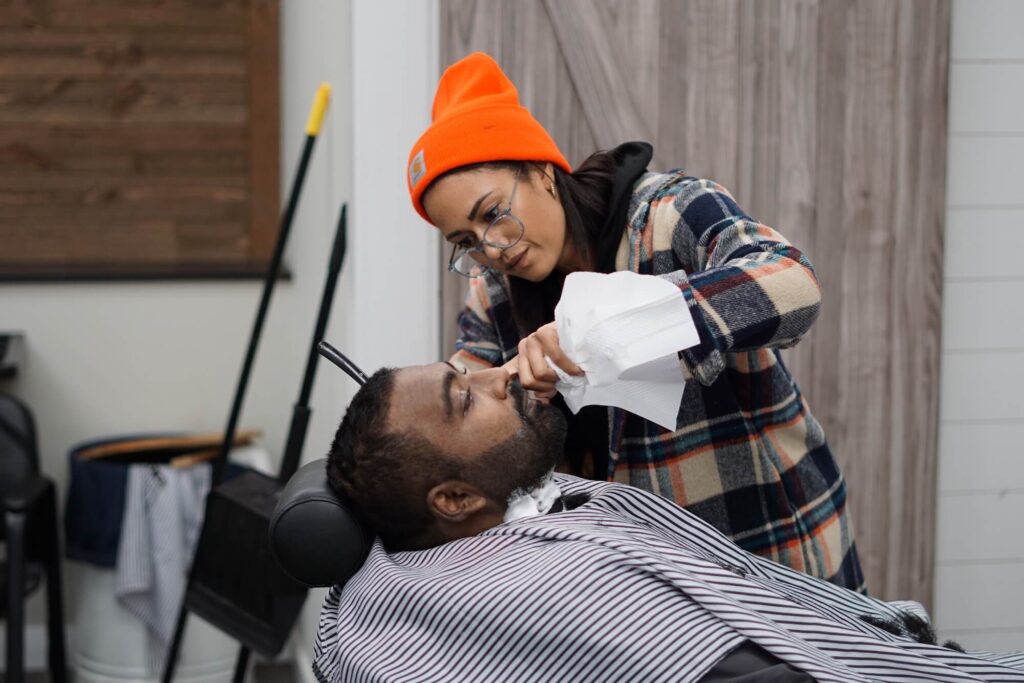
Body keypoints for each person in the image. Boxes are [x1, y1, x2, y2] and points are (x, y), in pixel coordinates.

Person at [405, 52, 863, 590]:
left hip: (771, 547)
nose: (492, 249)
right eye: (465, 241)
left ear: (542, 172)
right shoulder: (493, 297)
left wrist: (615, 330)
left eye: (493, 215)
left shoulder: (667, 217)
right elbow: (463, 399)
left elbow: (791, 282)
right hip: (646, 584)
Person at [316, 363, 1024, 683]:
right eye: (464, 398)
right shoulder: (550, 583)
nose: (498, 374)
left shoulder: (420, 566)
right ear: (453, 501)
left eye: (465, 371)